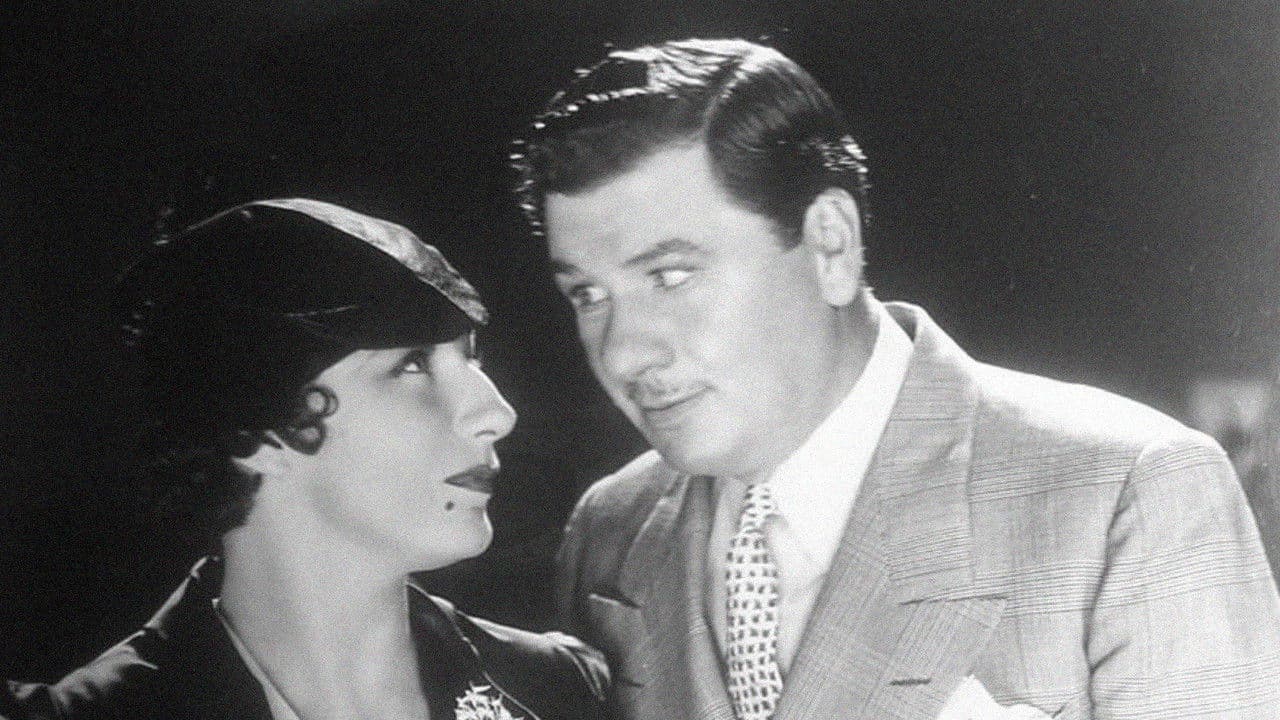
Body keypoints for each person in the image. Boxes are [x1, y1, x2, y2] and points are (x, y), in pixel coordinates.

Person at [513, 39, 1280, 719]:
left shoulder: (1127, 495)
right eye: (588, 295)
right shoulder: (609, 531)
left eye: (672, 276)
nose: (623, 353)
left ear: (831, 244)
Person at [0, 199, 608, 720]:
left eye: (471, 357)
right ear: (259, 432)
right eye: (412, 364)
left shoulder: (562, 689)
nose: (496, 412)